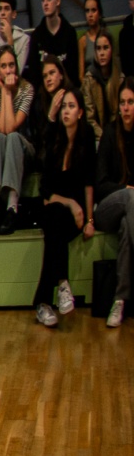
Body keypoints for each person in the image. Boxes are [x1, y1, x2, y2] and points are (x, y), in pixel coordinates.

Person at [33, 90, 96, 329]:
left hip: (73, 219)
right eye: (63, 107)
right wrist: (71, 203)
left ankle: (42, 303)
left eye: (71, 106)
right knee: (56, 213)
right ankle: (62, 283)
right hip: (53, 211)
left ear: (80, 113)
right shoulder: (55, 142)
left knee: (55, 233)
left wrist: (89, 219)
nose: (66, 111)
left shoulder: (86, 140)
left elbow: (89, 183)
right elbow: (46, 193)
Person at [95, 80, 134, 327]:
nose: (126, 108)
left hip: (130, 214)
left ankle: (119, 300)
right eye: (122, 103)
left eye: (130, 102)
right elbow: (100, 184)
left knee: (127, 227)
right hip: (106, 208)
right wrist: (126, 190)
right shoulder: (110, 133)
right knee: (132, 198)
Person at [0, 46, 33, 233]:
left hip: (25, 147)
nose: (8, 70)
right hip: (3, 146)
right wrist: (3, 91)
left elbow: (11, 127)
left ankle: (12, 207)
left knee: (11, 137)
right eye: (3, 66)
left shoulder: (27, 89)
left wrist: (7, 92)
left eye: (11, 65)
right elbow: (0, 128)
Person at [31, 0, 79, 87]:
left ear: (58, 1)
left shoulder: (70, 33)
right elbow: (34, 75)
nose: (45, 3)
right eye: (43, 0)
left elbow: (73, 73)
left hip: (67, 91)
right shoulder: (36, 36)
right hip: (44, 93)